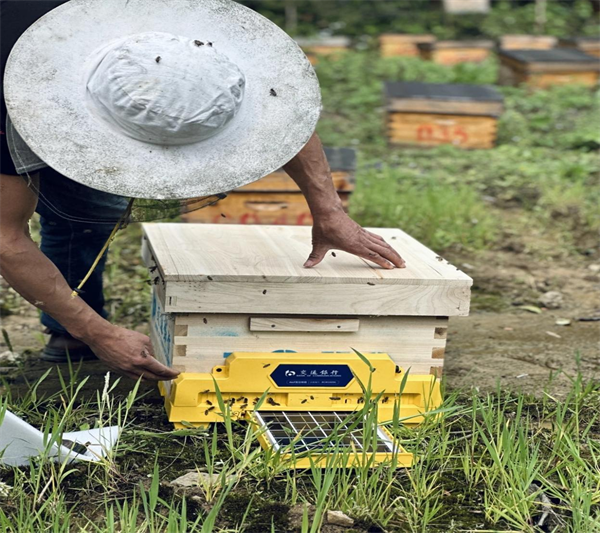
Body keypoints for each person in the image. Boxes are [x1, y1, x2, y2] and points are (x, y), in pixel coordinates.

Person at [0, 0, 405, 383]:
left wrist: (330, 211)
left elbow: (282, 114)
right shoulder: (11, 95)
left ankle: (68, 331)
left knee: (88, 209)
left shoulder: (190, 36)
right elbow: (6, 240)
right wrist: (97, 332)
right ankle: (74, 331)